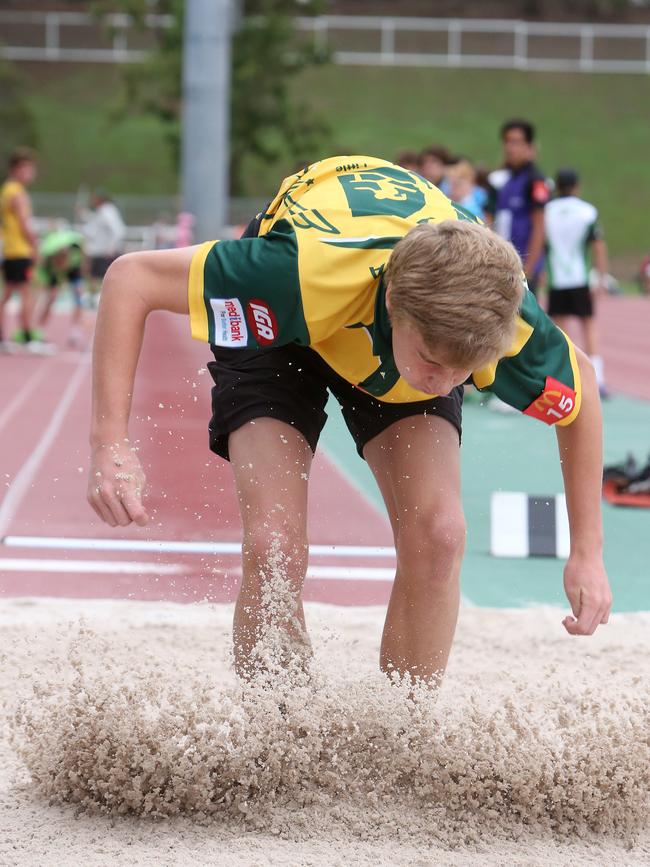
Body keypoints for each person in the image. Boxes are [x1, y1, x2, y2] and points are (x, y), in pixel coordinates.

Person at [88, 155, 612, 686]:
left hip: (397, 335)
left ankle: (399, 733)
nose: (446, 383)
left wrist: (587, 554)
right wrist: (110, 441)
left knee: (440, 534)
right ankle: (276, 733)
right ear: (393, 305)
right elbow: (131, 279)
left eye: (466, 370)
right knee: (275, 545)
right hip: (285, 329)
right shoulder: (290, 273)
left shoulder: (500, 315)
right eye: (435, 362)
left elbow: (581, 392)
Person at [544, 169, 609, 398]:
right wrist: (601, 277)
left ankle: (564, 379)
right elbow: (598, 246)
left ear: (557, 186)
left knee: (560, 329)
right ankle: (598, 380)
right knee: (588, 324)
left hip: (557, 278)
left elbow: (543, 243)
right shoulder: (587, 211)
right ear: (577, 186)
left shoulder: (547, 211)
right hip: (579, 277)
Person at [485, 119, 550, 294]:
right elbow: (488, 221)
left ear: (529, 147)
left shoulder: (536, 180)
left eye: (516, 142)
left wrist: (528, 270)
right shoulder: (498, 180)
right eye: (507, 142)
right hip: (500, 267)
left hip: (523, 269)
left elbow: (539, 226)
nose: (509, 147)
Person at [0, 147, 40, 351]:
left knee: (7, 294)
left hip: (9, 250)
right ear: (17, 169)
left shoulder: (6, 189)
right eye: (28, 169)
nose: (32, 174)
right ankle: (26, 338)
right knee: (27, 294)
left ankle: (3, 337)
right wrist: (35, 246)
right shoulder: (17, 193)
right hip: (20, 250)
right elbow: (25, 224)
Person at [37, 229, 87, 349]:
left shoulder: (76, 253)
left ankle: (76, 330)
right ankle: (41, 328)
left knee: (79, 294)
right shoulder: (48, 262)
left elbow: (84, 261)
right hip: (54, 271)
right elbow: (42, 277)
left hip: (73, 269)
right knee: (51, 297)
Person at [79, 189, 126, 299]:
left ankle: (102, 297)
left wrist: (112, 247)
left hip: (104, 251)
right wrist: (83, 215)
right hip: (99, 250)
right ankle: (95, 296)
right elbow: (95, 225)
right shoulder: (103, 212)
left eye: (94, 199)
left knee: (103, 276)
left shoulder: (107, 212)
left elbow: (118, 230)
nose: (92, 201)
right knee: (94, 275)